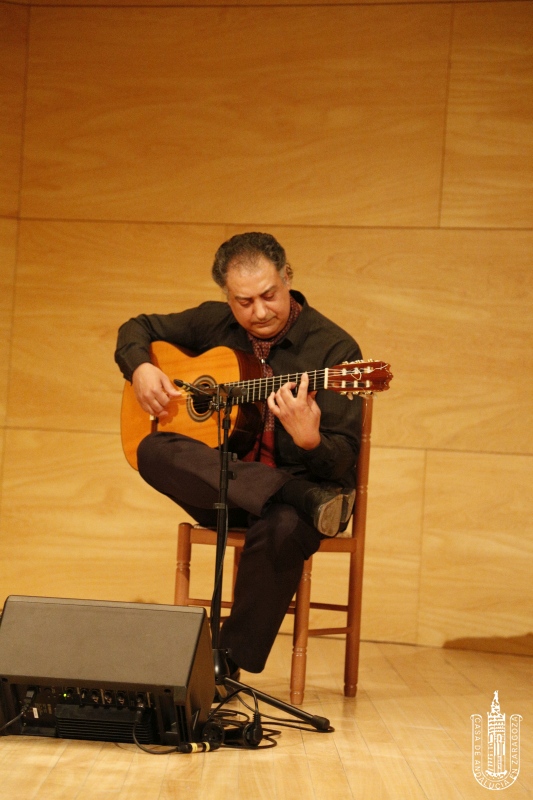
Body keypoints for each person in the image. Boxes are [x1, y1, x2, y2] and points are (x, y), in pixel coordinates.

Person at [115, 232, 363, 675]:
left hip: (311, 500)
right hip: (231, 490)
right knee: (150, 449)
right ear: (226, 296)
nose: (259, 312)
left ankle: (223, 667)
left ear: (288, 277)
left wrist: (310, 441)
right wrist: (141, 367)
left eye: (269, 295)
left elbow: (342, 458)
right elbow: (136, 327)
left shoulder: (335, 350)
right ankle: (284, 491)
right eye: (243, 302)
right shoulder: (214, 324)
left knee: (283, 524)